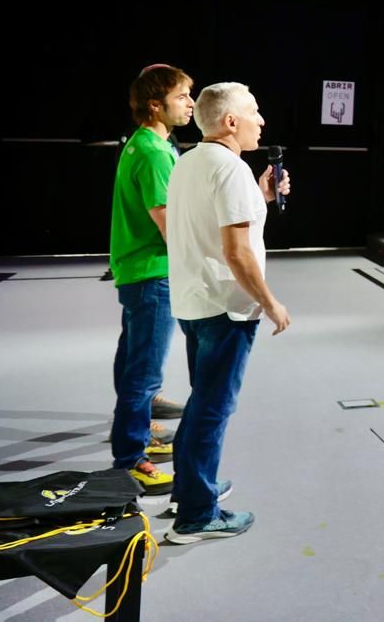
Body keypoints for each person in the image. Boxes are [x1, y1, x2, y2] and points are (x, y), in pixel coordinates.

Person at [164, 82, 291, 543]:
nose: (262, 120)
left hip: (195, 301)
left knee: (202, 402)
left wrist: (260, 194)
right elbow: (237, 253)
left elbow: (210, 225)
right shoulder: (230, 170)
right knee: (213, 408)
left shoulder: (188, 162)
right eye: (254, 112)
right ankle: (197, 515)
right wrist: (269, 300)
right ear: (231, 121)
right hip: (227, 307)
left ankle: (189, 488)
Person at [108, 64, 195, 495]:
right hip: (153, 274)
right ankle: (129, 457)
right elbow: (170, 228)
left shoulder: (143, 144)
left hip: (137, 271)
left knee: (132, 361)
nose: (191, 104)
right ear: (155, 106)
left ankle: (138, 433)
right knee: (142, 371)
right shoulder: (156, 153)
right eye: (182, 97)